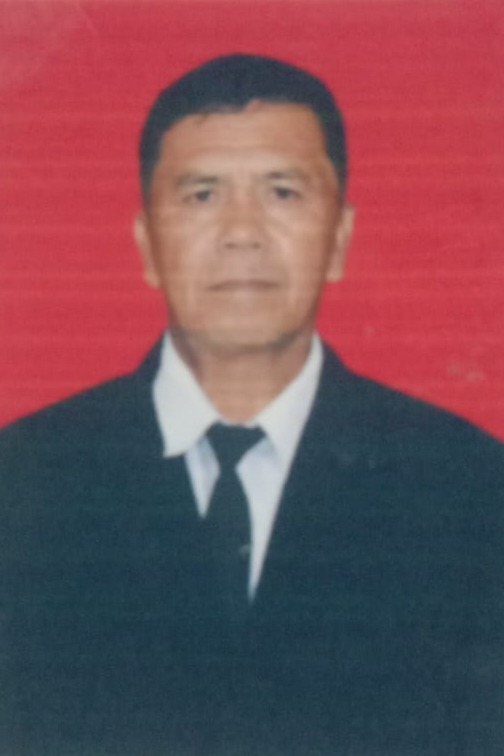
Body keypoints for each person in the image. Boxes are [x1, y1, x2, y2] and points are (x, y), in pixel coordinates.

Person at [0, 53, 502, 756]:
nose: (242, 231)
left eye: (283, 192)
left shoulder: (469, 492)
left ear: (340, 240)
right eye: (202, 195)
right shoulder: (24, 485)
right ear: (147, 245)